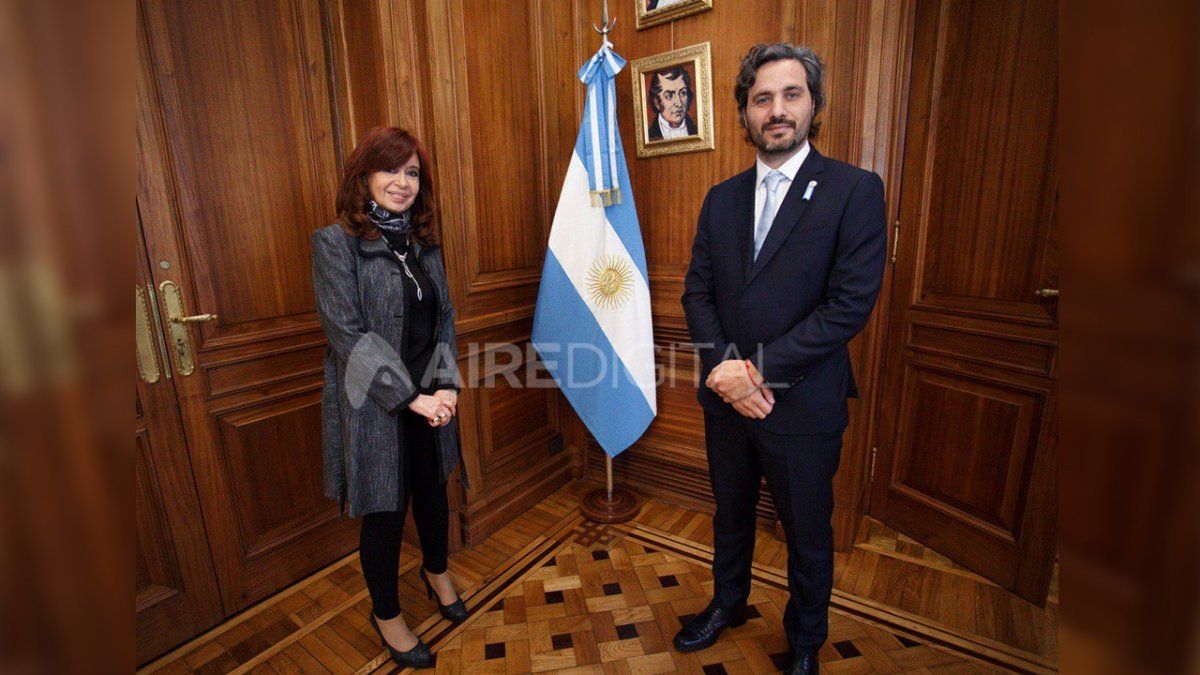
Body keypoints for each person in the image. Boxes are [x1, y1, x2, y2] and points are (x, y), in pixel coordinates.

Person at [677, 43, 887, 674]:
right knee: (731, 515)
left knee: (807, 533)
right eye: (761, 97)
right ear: (743, 111)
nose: (776, 110)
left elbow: (848, 306)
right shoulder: (721, 197)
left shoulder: (854, 190)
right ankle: (729, 603)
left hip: (802, 404)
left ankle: (804, 643)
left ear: (813, 104)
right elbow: (698, 292)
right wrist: (724, 372)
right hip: (725, 400)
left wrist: (753, 372)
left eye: (791, 94)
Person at [311, 126, 468, 669]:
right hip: (377, 405)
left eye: (412, 173)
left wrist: (445, 383)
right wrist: (411, 399)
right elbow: (346, 335)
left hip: (432, 397)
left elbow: (444, 315)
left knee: (431, 491)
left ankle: (436, 570)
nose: (402, 183)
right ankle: (386, 613)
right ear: (364, 176)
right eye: (390, 169)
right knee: (383, 510)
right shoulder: (336, 244)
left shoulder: (424, 244)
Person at [646, 66, 698, 141]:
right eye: (669, 96)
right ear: (656, 102)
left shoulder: (696, 131)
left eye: (683, 93)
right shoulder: (649, 137)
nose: (679, 103)